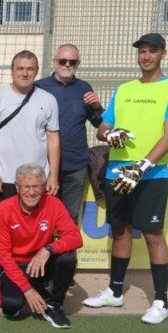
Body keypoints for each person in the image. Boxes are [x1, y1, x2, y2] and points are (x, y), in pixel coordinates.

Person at [83, 33, 168, 325]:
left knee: (153, 235)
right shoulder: (124, 89)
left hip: (151, 174)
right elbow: (103, 128)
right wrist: (110, 134)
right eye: (142, 51)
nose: (146, 56)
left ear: (163, 54)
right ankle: (115, 292)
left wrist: (142, 166)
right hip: (118, 173)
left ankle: (161, 301)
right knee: (120, 231)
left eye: (152, 51)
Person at [0, 50, 60, 300]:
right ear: (12, 71)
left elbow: (53, 139)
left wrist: (53, 176)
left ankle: (36, 278)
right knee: (0, 236)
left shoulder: (48, 99)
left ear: (36, 71)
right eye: (20, 68)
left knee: (38, 233)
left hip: (36, 182)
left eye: (30, 69)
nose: (25, 73)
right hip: (2, 180)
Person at [0, 164, 82, 329]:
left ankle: (54, 305)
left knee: (68, 257)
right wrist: (27, 290)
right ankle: (33, 287)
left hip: (41, 262)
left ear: (43, 187)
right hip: (17, 264)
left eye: (36, 186)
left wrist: (49, 249)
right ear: (17, 187)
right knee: (11, 307)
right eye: (26, 187)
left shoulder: (54, 204)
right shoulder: (4, 209)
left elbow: (75, 238)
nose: (31, 192)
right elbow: (4, 256)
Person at [35, 44, 104, 223]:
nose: (67, 65)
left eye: (72, 62)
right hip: (44, 164)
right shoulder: (39, 88)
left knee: (69, 217)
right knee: (42, 217)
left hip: (75, 165)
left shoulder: (84, 88)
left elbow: (99, 123)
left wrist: (97, 107)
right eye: (63, 61)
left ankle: (66, 243)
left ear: (78, 64)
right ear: (54, 62)